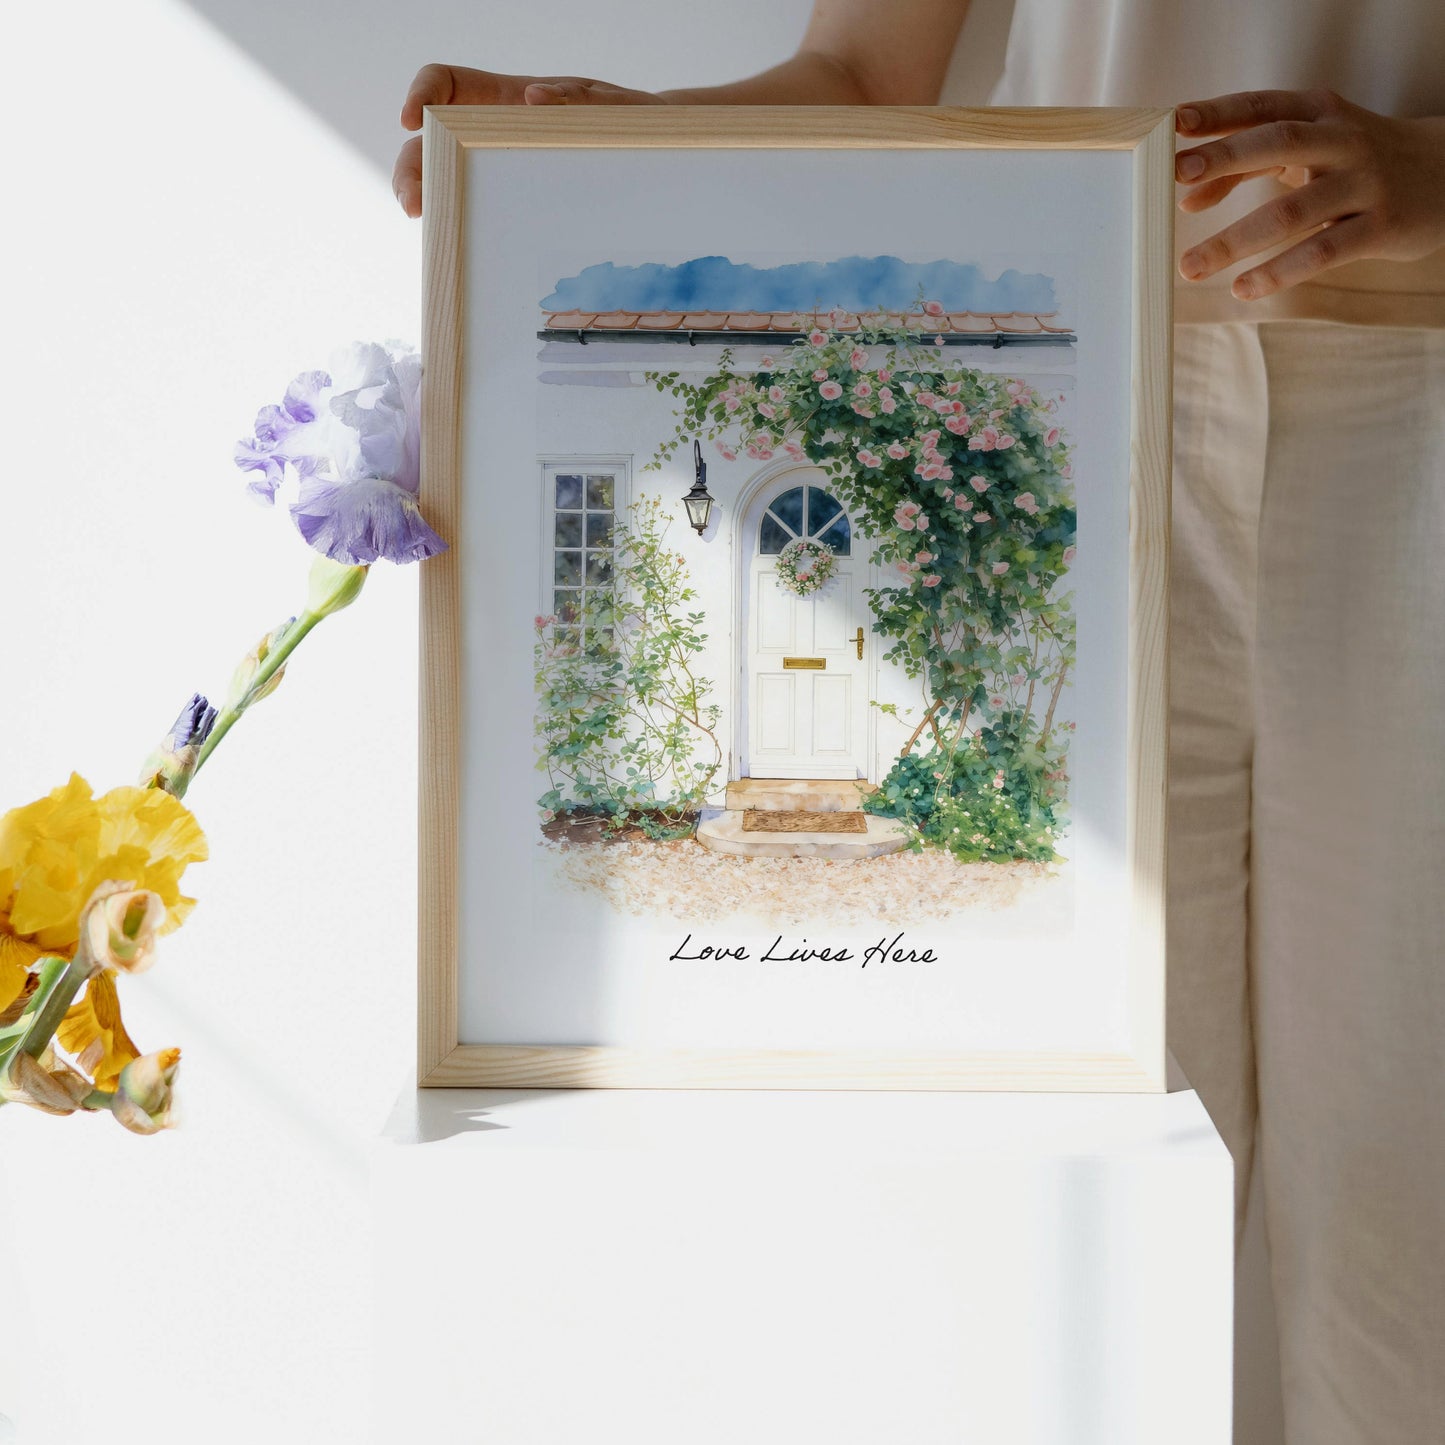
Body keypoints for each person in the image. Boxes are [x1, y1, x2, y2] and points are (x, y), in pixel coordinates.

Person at [392, 5, 1445, 1440]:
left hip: (1420, 391)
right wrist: (609, 135)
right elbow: (859, 78)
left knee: (1408, 1214)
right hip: (1083, 403)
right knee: (1085, 1203)